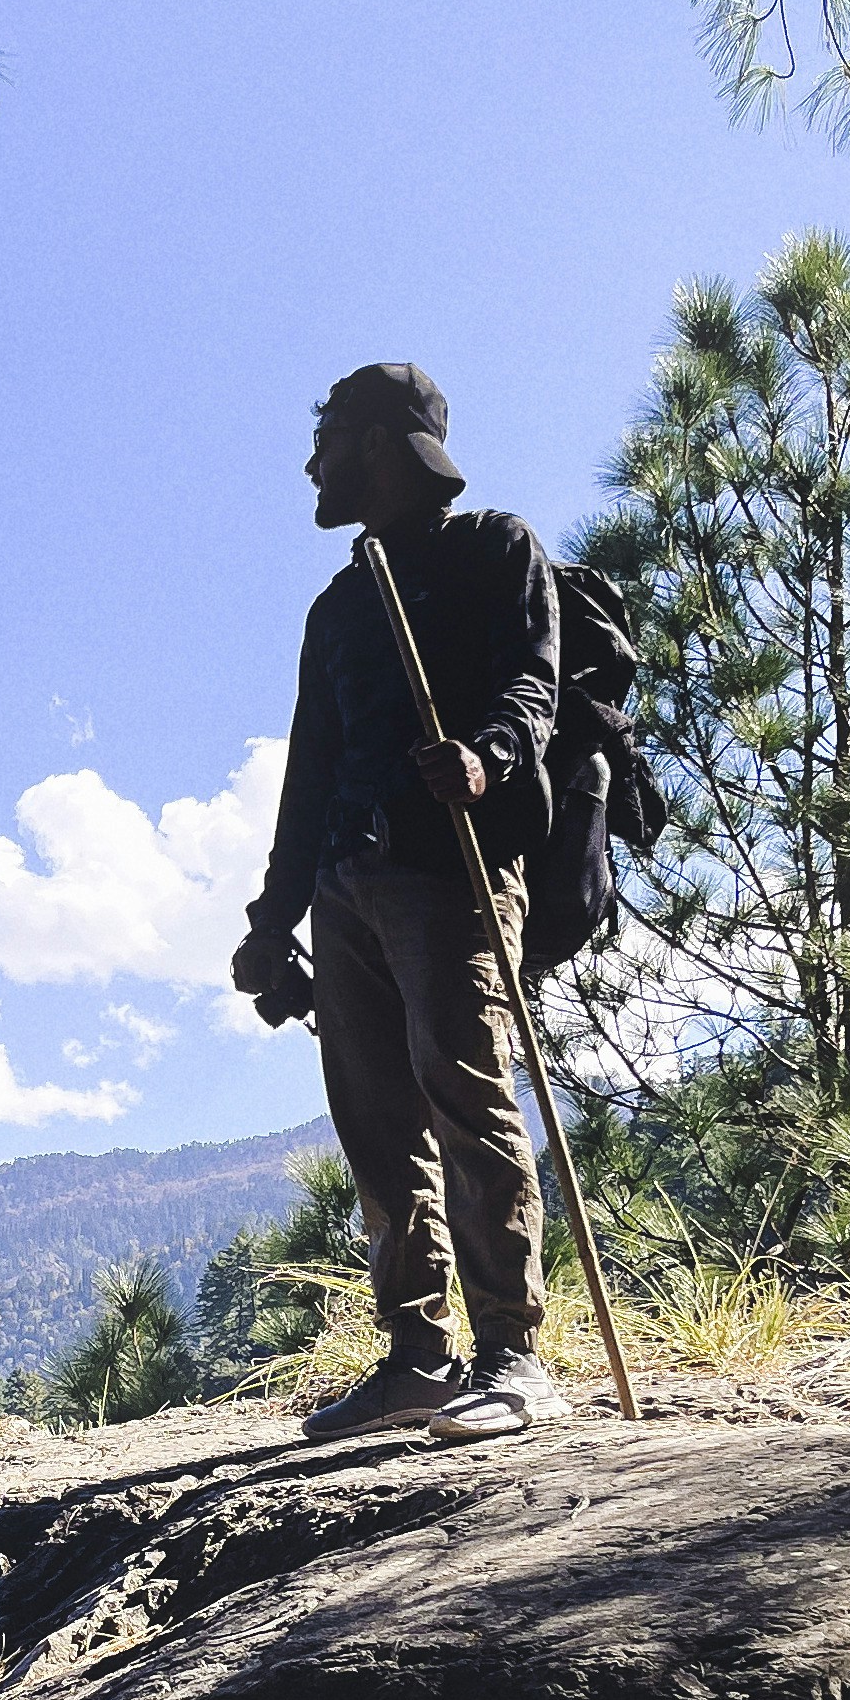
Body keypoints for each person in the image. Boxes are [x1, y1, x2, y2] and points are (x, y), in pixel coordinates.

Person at [231, 361, 570, 1443]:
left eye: (327, 435)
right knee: (377, 1123)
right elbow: (310, 774)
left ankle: (513, 1355)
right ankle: (418, 1357)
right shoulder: (338, 607)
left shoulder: (494, 550)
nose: (311, 461)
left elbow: (535, 683)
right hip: (348, 888)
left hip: (454, 873)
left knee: (467, 1099)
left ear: (378, 443)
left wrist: (485, 759)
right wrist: (274, 916)